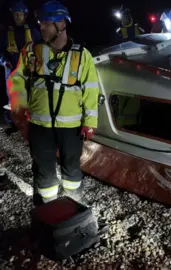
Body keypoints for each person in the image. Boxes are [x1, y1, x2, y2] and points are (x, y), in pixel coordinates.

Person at [7, 0, 100, 204]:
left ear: (61, 24)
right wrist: (19, 109)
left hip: (71, 127)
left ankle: (73, 203)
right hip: (39, 125)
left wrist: (90, 122)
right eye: (41, 23)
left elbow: (91, 90)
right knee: (44, 170)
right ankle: (48, 209)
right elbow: (16, 80)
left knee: (72, 168)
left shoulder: (81, 55)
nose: (41, 27)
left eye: (46, 23)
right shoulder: (30, 51)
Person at [0, 1, 41, 131]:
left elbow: (40, 48)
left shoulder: (33, 31)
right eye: (16, 14)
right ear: (12, 15)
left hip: (28, 66)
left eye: (20, 14)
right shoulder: (5, 32)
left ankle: (31, 120)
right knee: (12, 95)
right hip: (11, 65)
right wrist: (3, 60)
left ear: (25, 15)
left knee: (30, 92)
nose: (18, 17)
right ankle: (12, 122)